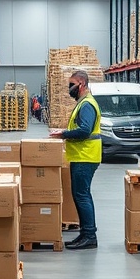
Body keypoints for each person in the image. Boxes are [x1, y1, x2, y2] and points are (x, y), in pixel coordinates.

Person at [49, 70, 102, 249]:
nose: (69, 88)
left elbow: (85, 130)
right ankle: (85, 234)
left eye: (71, 84)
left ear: (81, 84)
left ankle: (90, 235)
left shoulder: (87, 105)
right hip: (82, 156)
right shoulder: (83, 103)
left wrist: (63, 134)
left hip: (85, 156)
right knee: (80, 194)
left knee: (82, 195)